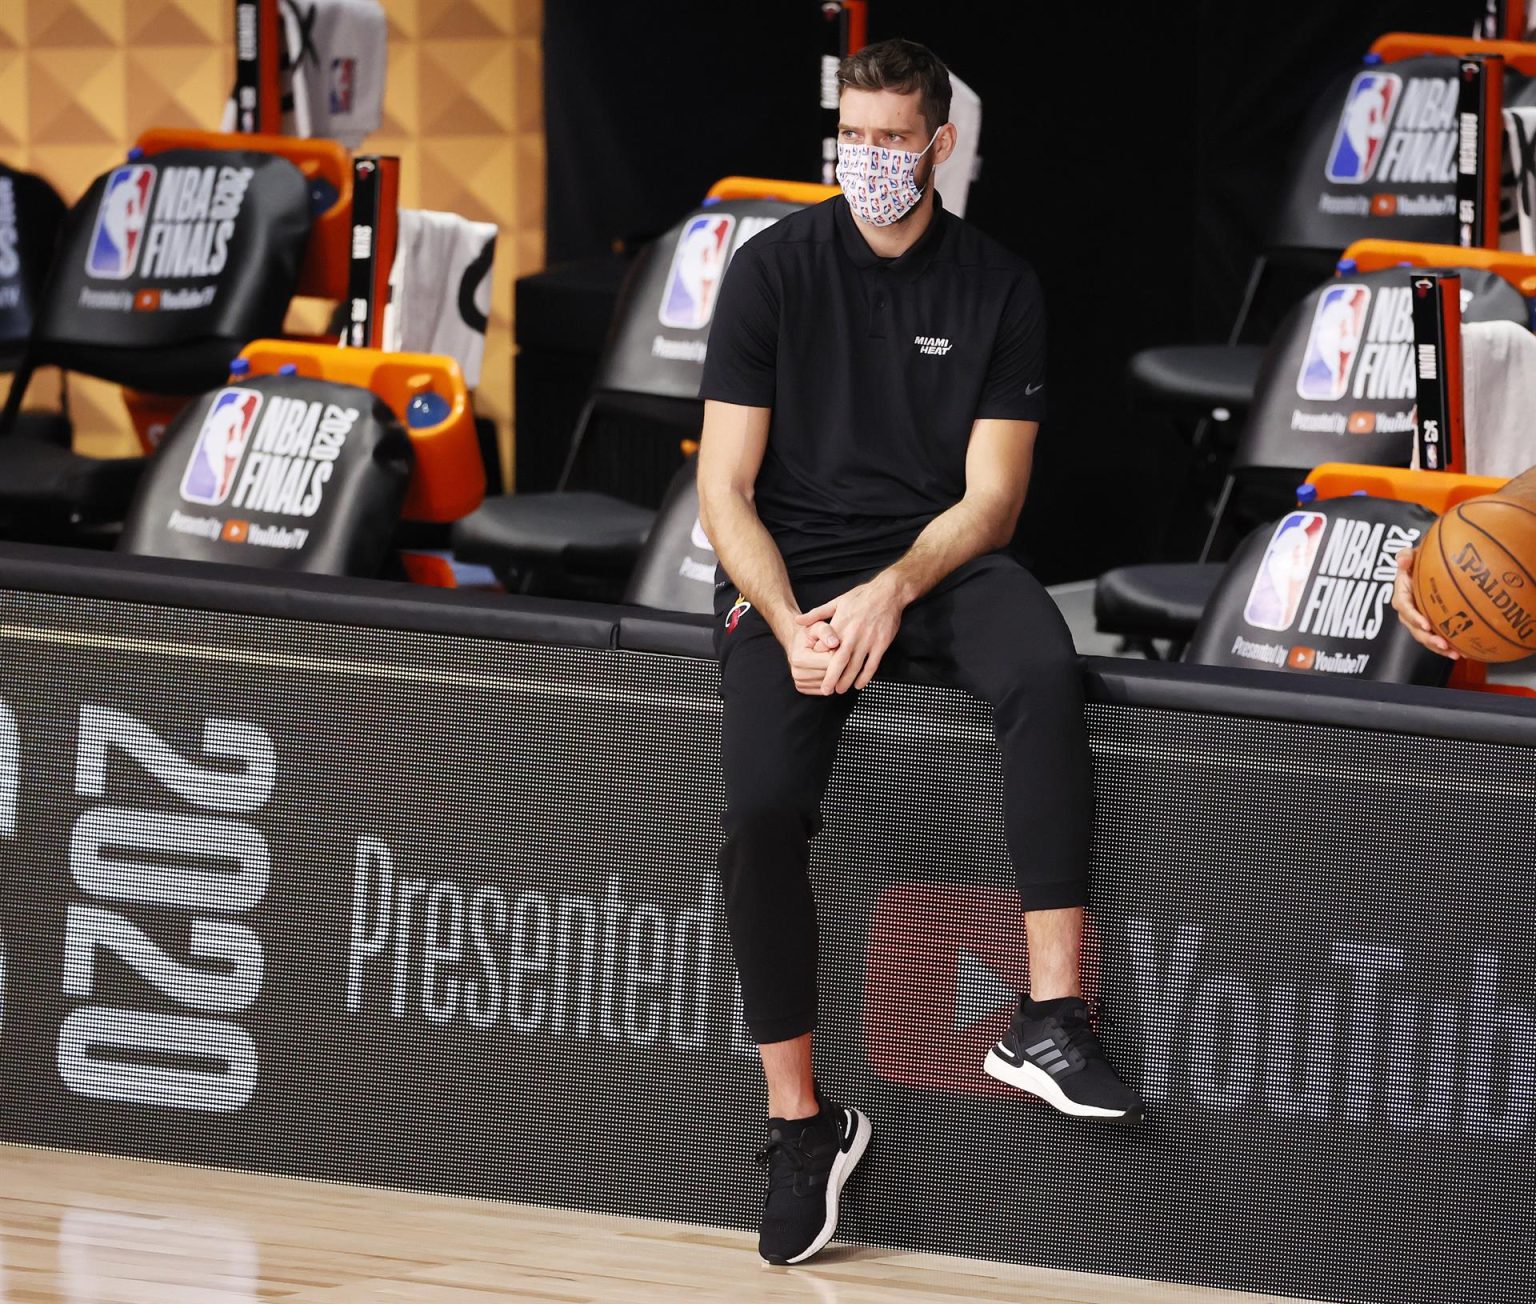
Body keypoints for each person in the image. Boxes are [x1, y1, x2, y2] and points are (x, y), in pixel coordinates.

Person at [695, 37, 1142, 1269]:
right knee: (762, 813)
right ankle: (803, 1125)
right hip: (795, 568)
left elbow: (993, 501)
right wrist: (792, 620)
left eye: (896, 140)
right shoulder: (772, 270)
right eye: (856, 137)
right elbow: (723, 493)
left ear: (941, 145)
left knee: (1045, 672)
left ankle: (1048, 1013)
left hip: (936, 557)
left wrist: (895, 589)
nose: (873, 161)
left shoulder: (1000, 285)